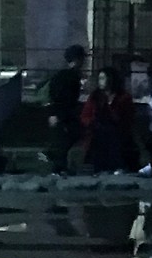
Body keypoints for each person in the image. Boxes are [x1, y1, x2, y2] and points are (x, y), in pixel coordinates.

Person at [80, 65, 138, 173]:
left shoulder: (123, 97)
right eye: (99, 79)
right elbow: (85, 115)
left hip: (117, 131)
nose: (100, 82)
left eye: (103, 78)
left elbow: (129, 117)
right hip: (97, 130)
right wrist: (92, 122)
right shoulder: (95, 96)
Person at [46, 43, 86, 172]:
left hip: (60, 111)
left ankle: (57, 162)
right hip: (65, 112)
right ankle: (56, 162)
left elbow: (53, 94)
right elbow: (68, 98)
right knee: (68, 138)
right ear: (78, 59)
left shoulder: (60, 76)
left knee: (65, 139)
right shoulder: (72, 77)